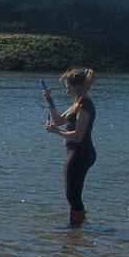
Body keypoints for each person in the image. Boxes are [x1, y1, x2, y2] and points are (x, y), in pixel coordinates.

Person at [42, 67, 97, 226]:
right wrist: (50, 102)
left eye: (67, 84)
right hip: (76, 152)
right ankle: (79, 225)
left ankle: (76, 228)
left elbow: (78, 135)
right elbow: (59, 120)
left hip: (81, 153)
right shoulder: (77, 103)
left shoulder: (85, 104)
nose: (65, 87)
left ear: (76, 86)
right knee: (72, 194)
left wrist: (56, 132)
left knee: (72, 195)